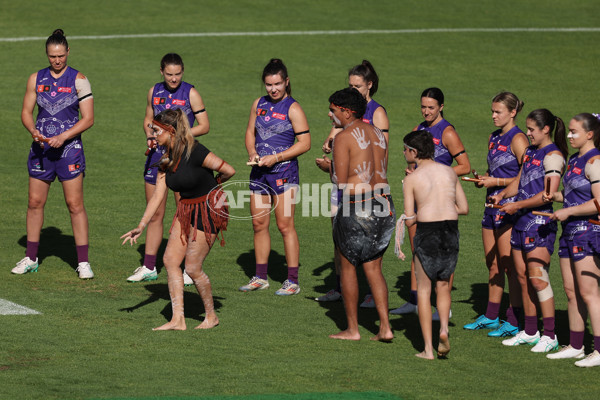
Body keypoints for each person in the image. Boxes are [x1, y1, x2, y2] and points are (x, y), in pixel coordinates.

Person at [121, 109, 234, 330]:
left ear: (171, 131)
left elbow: (229, 170)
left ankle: (211, 316)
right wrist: (141, 226)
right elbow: (157, 196)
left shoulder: (196, 151)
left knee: (192, 268)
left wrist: (216, 185)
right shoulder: (165, 159)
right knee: (171, 261)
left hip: (209, 209)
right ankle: (178, 319)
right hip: (186, 210)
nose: (153, 135)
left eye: (157, 131)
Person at [12, 29, 94, 279]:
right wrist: (33, 130)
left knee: (74, 205)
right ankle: (31, 258)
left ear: (68, 52)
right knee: (35, 203)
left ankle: (83, 262)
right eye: (52, 56)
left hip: (69, 151)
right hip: (41, 151)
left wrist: (64, 136)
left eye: (60, 55)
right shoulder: (35, 79)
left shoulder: (79, 79)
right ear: (47, 55)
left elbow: (88, 118)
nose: (57, 60)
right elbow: (26, 112)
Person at [488, 109, 567, 352]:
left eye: (532, 129)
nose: (528, 133)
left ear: (546, 129)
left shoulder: (553, 156)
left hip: (540, 223)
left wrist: (517, 205)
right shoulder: (531, 151)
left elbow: (547, 195)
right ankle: (531, 331)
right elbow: (520, 181)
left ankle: (550, 335)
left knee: (537, 278)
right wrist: (502, 194)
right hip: (522, 221)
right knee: (522, 278)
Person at [127, 53, 210, 284]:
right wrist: (150, 136)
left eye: (178, 74)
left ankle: (188, 269)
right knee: (155, 213)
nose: (174, 79)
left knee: (184, 215)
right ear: (161, 72)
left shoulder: (191, 93)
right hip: (157, 158)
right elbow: (147, 120)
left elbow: (205, 126)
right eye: (169, 74)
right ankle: (149, 266)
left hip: (181, 159)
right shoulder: (154, 92)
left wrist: (178, 136)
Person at [391, 87, 470, 318]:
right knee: (418, 249)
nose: (426, 111)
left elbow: (464, 165)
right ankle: (415, 301)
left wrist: (434, 174)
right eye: (423, 106)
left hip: (440, 197)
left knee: (441, 253)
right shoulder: (420, 129)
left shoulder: (448, 132)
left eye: (431, 107)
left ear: (441, 107)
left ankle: (443, 307)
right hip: (419, 194)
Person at [315, 60, 389, 306]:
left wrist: (333, 165)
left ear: (370, 85)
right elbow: (335, 138)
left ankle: (361, 300)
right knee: (339, 240)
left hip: (362, 191)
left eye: (358, 85)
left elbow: (381, 153)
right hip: (346, 189)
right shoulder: (343, 111)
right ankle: (340, 289)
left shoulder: (376, 113)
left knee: (366, 246)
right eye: (351, 85)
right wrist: (330, 145)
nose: (354, 89)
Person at [327, 87, 395, 341]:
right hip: (384, 204)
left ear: (346, 112)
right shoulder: (377, 132)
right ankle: (385, 327)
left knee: (348, 267)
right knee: (374, 268)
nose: (330, 115)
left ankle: (353, 329)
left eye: (333, 110)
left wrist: (329, 166)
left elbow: (340, 181)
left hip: (358, 206)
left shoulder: (344, 137)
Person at [239, 58, 311, 295]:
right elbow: (250, 132)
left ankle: (292, 280)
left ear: (286, 81)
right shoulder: (258, 103)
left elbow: (305, 143)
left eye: (278, 83)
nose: (273, 89)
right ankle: (260, 277)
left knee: (284, 225)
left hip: (284, 173)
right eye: (269, 84)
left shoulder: (293, 108)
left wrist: (277, 157)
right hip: (259, 172)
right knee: (259, 224)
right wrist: (252, 152)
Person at [463, 92, 529, 337]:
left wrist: (497, 181)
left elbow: (528, 176)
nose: (493, 115)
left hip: (509, 208)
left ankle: (513, 319)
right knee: (492, 264)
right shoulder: (493, 137)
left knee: (508, 265)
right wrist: (484, 180)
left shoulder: (518, 138)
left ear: (512, 112)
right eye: (492, 111)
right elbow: (496, 171)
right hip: (491, 206)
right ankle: (491, 316)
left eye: (498, 111)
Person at [401, 130, 468, 359]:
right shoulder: (449, 172)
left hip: (427, 231)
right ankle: (444, 329)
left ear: (414, 152)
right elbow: (464, 208)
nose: (403, 153)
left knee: (423, 288)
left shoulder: (411, 179)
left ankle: (428, 349)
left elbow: (409, 218)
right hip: (450, 229)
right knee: (443, 285)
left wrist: (422, 214)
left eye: (405, 149)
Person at [545, 113, 600, 367]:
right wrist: (553, 197)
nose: (569, 135)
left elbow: (599, 202)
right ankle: (576, 345)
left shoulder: (595, 161)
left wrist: (569, 211)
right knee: (571, 291)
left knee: (590, 294)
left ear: (590, 134)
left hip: (587, 231)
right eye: (569, 130)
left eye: (574, 131)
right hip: (569, 232)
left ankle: (598, 350)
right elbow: (573, 195)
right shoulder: (575, 159)